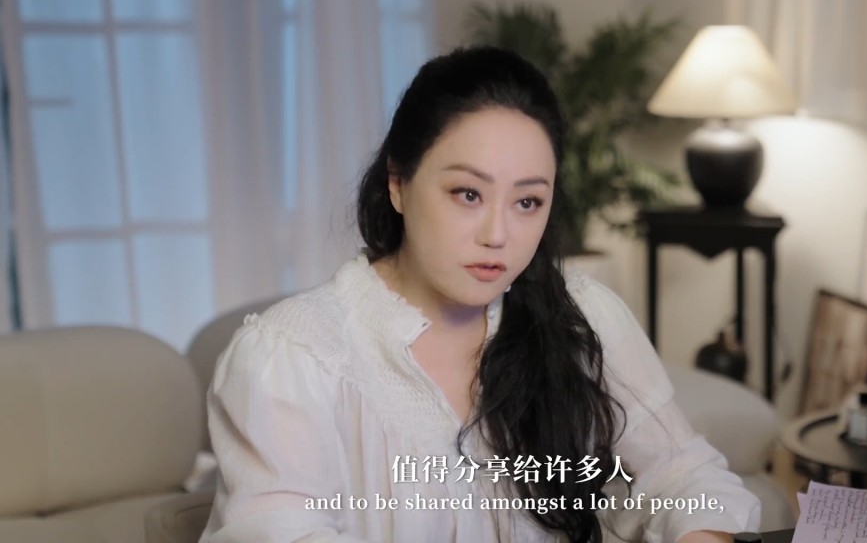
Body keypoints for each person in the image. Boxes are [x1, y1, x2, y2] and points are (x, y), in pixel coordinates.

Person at [199, 46, 761, 543]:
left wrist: (701, 533)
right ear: (398, 184)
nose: (498, 235)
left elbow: (683, 471)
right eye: (468, 194)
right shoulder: (293, 359)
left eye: (527, 202)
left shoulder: (582, 316)